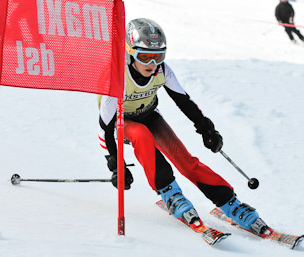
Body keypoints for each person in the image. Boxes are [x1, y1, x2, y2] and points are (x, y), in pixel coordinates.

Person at [98, 18, 268, 235]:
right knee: (142, 135)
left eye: (158, 56)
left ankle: (229, 201)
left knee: (184, 160)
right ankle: (170, 192)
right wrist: (115, 164)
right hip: (122, 124)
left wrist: (206, 129)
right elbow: (103, 127)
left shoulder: (162, 71)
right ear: (130, 52)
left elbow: (184, 101)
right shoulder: (117, 77)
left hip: (150, 115)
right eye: (145, 56)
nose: (152, 63)